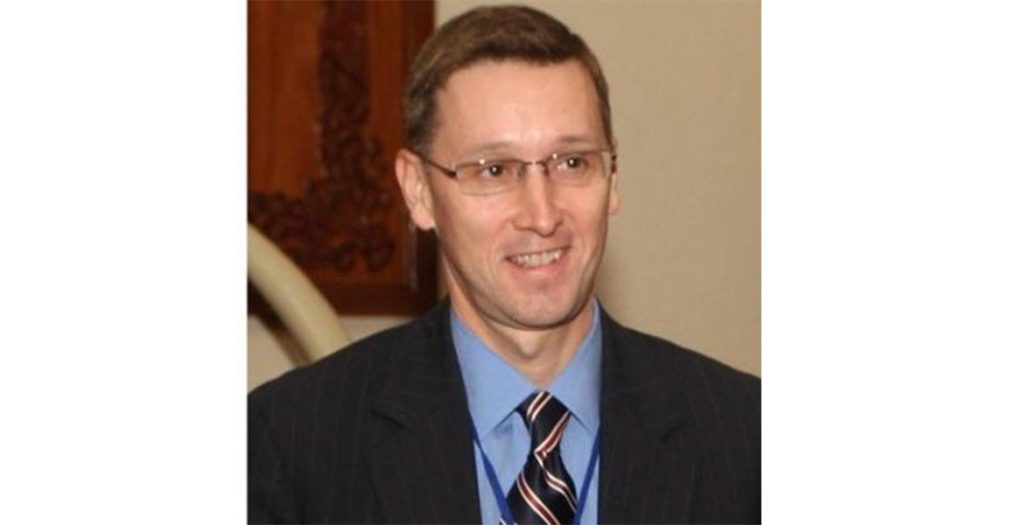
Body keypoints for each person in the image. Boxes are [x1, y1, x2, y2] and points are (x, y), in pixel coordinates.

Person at [249, 5, 760, 524]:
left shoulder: (748, 439)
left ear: (612, 178)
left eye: (573, 162)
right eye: (494, 170)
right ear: (418, 191)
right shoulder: (289, 445)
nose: (542, 215)